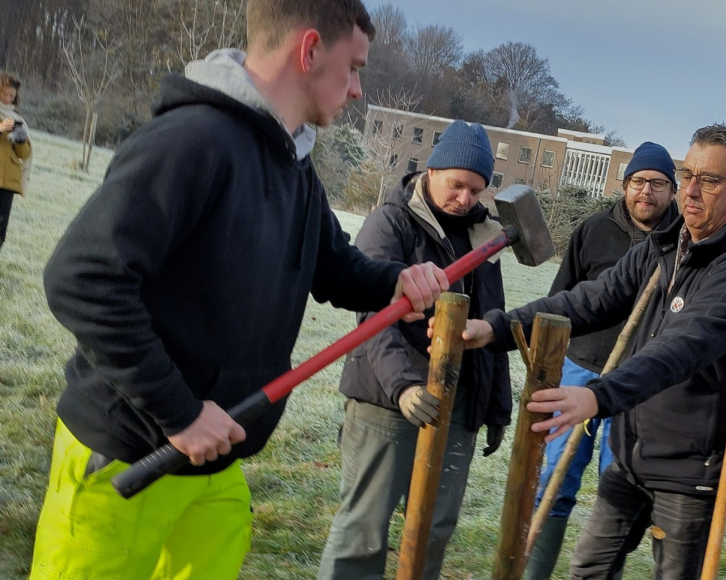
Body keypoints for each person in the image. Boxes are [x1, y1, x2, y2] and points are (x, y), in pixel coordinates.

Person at [30, 2, 450, 579]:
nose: (357, 90)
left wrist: (395, 280)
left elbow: (332, 266)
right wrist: (178, 413)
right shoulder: (192, 139)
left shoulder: (294, 166)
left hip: (216, 459)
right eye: (353, 68)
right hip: (130, 455)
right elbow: (81, 279)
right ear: (308, 51)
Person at [447, 125, 726, 580]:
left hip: (692, 468)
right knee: (589, 568)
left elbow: (680, 349)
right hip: (632, 455)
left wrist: (599, 397)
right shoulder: (665, 248)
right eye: (688, 176)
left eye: (711, 181)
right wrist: (498, 327)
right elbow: (591, 299)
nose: (693, 191)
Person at [317, 119, 511, 580]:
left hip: (457, 405)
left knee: (434, 528)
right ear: (433, 168)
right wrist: (403, 387)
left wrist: (496, 406)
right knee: (363, 531)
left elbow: (491, 318)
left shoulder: (485, 235)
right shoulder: (392, 221)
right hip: (387, 401)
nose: (465, 198)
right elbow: (373, 314)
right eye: (457, 184)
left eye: (476, 190)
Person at [525, 141, 680, 580]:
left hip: (637, 386)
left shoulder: (682, 241)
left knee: (618, 489)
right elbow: (563, 300)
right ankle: (535, 570)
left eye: (656, 183)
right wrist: (543, 366)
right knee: (554, 478)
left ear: (671, 190)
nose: (645, 191)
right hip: (579, 370)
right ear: (625, 185)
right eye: (637, 181)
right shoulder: (594, 230)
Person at [0, 71, 32, 252]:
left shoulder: (17, 118)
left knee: (0, 234)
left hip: (8, 182)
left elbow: (24, 154)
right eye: (4, 93)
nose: (7, 98)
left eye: (11, 95)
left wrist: (20, 139)